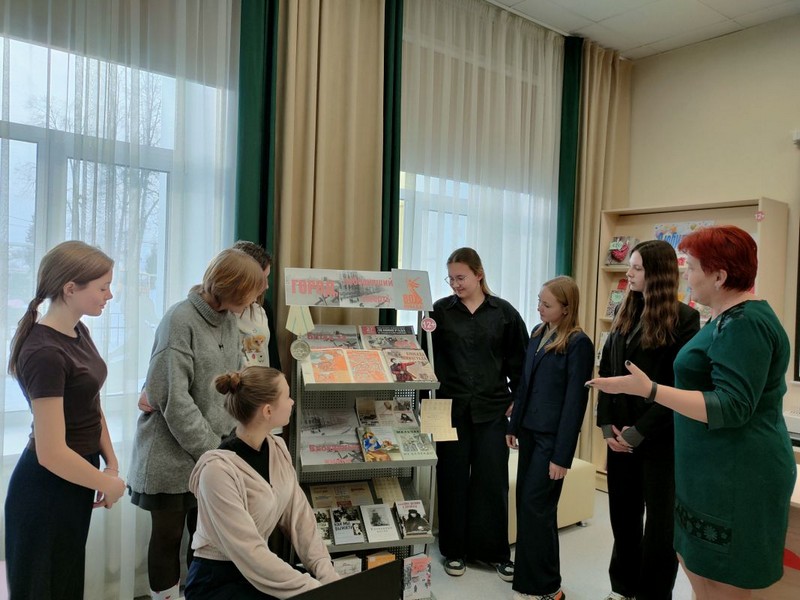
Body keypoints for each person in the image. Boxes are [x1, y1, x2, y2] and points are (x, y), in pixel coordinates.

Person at [587, 226, 797, 600]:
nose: (685, 275)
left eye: (694, 268)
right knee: (698, 569)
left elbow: (731, 405)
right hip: (708, 469)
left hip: (735, 472)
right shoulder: (722, 318)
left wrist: (650, 390)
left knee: (720, 579)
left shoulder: (746, 323)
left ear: (719, 276)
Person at [128, 248, 266, 600]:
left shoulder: (229, 320)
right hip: (170, 455)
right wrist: (214, 451)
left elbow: (231, 381)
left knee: (205, 540)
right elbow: (173, 399)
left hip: (212, 452)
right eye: (251, 293)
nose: (254, 300)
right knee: (168, 537)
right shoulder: (179, 321)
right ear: (232, 287)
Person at [5, 240, 126, 599]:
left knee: (67, 585)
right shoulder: (44, 352)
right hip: (47, 488)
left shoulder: (78, 331)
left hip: (77, 477)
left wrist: (111, 464)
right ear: (70, 288)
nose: (110, 295)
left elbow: (90, 403)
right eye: (103, 287)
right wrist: (108, 483)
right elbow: (51, 452)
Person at [596, 240, 700, 600]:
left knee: (660, 528)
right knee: (623, 519)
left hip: (658, 441)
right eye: (631, 266)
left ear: (657, 274)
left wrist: (639, 432)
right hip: (618, 437)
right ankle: (622, 587)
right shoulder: (625, 310)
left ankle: (653, 594)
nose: (629, 273)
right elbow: (607, 372)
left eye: (637, 268)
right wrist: (607, 427)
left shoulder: (685, 320)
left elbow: (677, 388)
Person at [185, 366, 339, 599]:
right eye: (287, 396)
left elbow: (301, 521)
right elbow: (249, 551)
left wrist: (327, 576)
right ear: (268, 411)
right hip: (217, 580)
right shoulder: (217, 471)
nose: (292, 402)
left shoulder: (278, 448)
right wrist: (313, 588)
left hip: (260, 570)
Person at [429, 247, 528, 581]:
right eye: (451, 279)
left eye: (461, 277)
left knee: (492, 481)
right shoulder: (439, 312)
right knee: (452, 479)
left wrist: (518, 399)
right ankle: (454, 551)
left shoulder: (505, 313)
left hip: (492, 408)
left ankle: (494, 553)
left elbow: (521, 361)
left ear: (479, 274)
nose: (455, 284)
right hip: (449, 410)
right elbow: (425, 356)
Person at [506, 276, 594, 600]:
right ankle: (528, 580)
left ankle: (549, 587)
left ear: (566, 308)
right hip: (529, 433)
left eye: (547, 304)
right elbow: (525, 385)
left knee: (537, 508)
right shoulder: (537, 332)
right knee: (528, 507)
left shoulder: (578, 343)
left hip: (551, 440)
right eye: (539, 301)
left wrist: (562, 456)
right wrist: (513, 426)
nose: (539, 308)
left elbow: (575, 404)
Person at [137, 240, 280, 413]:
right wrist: (149, 386)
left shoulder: (254, 311)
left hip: (242, 407)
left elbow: (269, 354)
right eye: (261, 280)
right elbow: (170, 371)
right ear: (239, 282)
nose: (266, 286)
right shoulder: (187, 316)